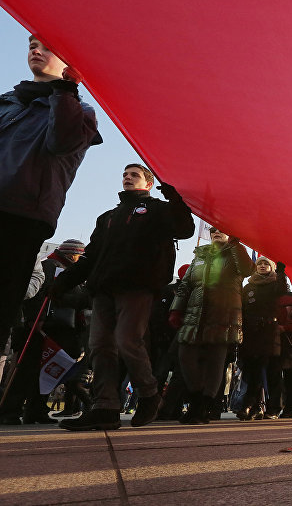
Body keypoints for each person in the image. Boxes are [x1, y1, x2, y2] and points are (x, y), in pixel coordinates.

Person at [56, 164, 194, 431]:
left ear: (149, 183)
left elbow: (184, 229)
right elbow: (92, 255)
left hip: (137, 286)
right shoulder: (108, 216)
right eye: (124, 174)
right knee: (99, 346)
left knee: (127, 340)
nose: (127, 178)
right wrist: (64, 281)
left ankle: (149, 394)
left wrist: (175, 200)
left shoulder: (156, 209)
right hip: (103, 289)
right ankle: (105, 406)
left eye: (134, 175)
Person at [0, 36, 101, 350]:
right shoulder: (6, 101)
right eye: (31, 43)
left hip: (20, 218)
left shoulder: (79, 111)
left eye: (46, 45)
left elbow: (62, 143)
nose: (35, 49)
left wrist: (65, 90)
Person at [168, 226, 252, 424]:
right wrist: (176, 309)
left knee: (215, 362)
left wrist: (235, 244)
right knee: (186, 356)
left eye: (221, 229)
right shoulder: (200, 256)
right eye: (213, 229)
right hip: (195, 313)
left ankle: (203, 406)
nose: (216, 232)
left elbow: (248, 269)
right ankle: (197, 399)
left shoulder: (235, 254)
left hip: (223, 314)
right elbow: (186, 284)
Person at [0, 239, 89, 425]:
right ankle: (10, 409)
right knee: (26, 370)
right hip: (39, 327)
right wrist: (35, 318)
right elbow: (40, 294)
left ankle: (36, 410)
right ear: (71, 254)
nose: (80, 259)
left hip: (57, 329)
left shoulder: (71, 273)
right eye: (79, 256)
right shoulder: (50, 266)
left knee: (47, 373)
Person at [238, 257, 289, 420]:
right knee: (252, 370)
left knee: (273, 370)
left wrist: (281, 273)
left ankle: (274, 407)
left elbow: (282, 292)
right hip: (251, 332)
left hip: (269, 331)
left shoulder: (276, 284)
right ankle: (251, 405)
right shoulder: (248, 287)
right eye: (259, 263)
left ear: (272, 267)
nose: (262, 266)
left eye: (266, 263)